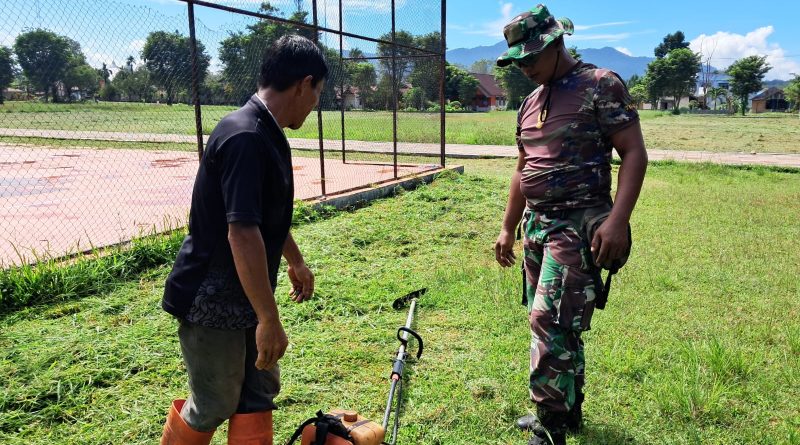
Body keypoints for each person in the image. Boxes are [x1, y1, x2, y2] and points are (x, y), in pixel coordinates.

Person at [159, 34, 328, 445]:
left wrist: (295, 260)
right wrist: (269, 319)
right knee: (215, 402)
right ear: (304, 84)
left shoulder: (267, 132)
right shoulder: (246, 137)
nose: (316, 103)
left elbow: (261, 215)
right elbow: (242, 231)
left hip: (247, 294)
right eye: (318, 92)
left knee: (258, 394)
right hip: (211, 299)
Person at [493, 5, 648, 445]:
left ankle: (550, 425)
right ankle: (569, 407)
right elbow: (523, 168)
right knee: (557, 322)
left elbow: (633, 153)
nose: (524, 67)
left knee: (549, 319)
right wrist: (508, 227)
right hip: (536, 225)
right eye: (517, 61)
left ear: (555, 43)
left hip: (578, 224)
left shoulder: (601, 84)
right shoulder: (529, 102)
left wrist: (619, 220)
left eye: (530, 58)